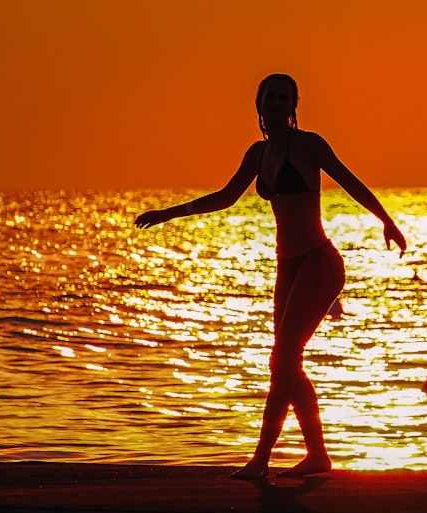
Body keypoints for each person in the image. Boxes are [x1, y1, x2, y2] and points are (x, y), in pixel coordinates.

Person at [135, 73, 407, 479]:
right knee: (283, 362)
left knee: (283, 358)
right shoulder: (258, 154)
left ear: (294, 105)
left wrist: (385, 219)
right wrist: (168, 214)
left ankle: (262, 458)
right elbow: (225, 198)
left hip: (319, 262)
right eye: (270, 97)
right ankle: (317, 455)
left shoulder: (310, 145)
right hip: (288, 268)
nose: (277, 102)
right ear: (259, 105)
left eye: (284, 97)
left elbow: (350, 182)